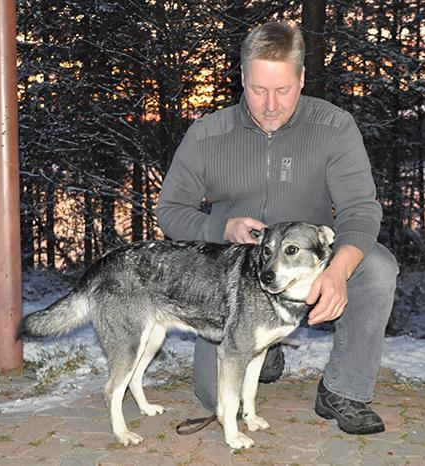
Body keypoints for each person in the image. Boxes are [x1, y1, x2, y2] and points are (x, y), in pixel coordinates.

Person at [156, 21, 399, 435]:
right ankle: (263, 348)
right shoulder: (207, 134)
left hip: (312, 258)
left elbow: (360, 209)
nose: (270, 104)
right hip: (237, 275)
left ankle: (344, 390)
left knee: (377, 268)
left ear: (302, 78)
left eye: (283, 90)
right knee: (215, 399)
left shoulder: (334, 127)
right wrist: (221, 226)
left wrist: (339, 271)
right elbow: (170, 211)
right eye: (258, 89)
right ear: (242, 78)